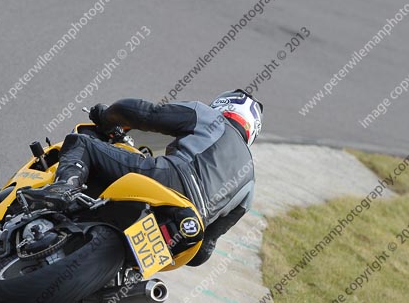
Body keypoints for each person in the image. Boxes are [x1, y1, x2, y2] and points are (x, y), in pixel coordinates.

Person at [29, 89, 263, 267]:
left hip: (166, 178)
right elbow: (203, 252)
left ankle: (63, 189)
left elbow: (144, 114)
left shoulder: (209, 116)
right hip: (187, 228)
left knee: (81, 144)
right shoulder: (250, 182)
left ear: (223, 106)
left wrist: (106, 116)